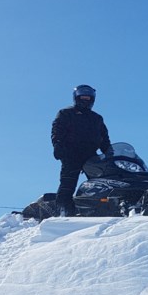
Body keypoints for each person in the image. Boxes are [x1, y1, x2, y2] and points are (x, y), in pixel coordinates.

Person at [51, 84, 112, 216]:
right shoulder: (66, 113)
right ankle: (62, 211)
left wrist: (109, 153)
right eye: (83, 97)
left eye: (88, 98)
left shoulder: (96, 118)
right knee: (68, 183)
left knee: (101, 183)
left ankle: (99, 210)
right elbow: (57, 131)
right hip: (71, 154)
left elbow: (104, 138)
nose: (85, 100)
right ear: (76, 98)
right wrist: (58, 146)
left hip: (91, 156)